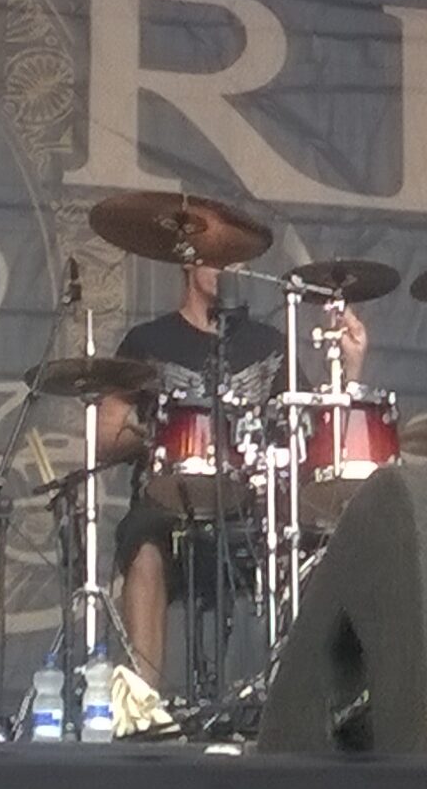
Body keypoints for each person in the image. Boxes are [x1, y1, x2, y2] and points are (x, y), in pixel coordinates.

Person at [93, 263, 367, 690]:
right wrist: (158, 433)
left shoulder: (268, 343)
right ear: (189, 260)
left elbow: (313, 437)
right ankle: (143, 702)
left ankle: (303, 702)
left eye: (238, 259)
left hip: (251, 506)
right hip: (169, 503)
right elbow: (104, 438)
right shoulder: (147, 341)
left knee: (315, 542)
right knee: (143, 544)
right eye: (219, 257)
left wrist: (349, 370)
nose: (229, 267)